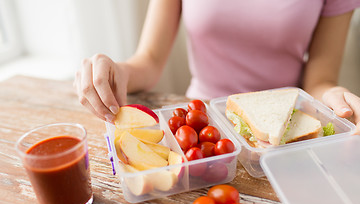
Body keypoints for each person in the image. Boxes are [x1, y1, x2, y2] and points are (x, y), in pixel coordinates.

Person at [74, 0, 360, 134]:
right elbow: (148, 60)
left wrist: (336, 96)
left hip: (284, 136)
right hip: (200, 123)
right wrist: (118, 73)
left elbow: (320, 81)